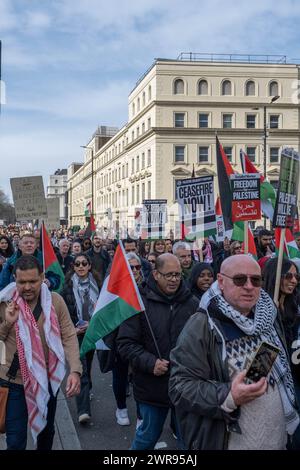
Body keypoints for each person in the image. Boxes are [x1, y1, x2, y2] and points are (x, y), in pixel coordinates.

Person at [169, 254, 300, 450]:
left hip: (278, 441)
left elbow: (259, 373)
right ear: (221, 281)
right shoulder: (203, 324)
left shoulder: (268, 316)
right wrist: (228, 396)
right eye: (239, 279)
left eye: (256, 280)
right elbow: (180, 387)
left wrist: (251, 383)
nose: (249, 286)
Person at [117, 253, 199, 449]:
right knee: (147, 436)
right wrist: (150, 363)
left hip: (185, 385)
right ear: (155, 274)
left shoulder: (192, 303)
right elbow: (125, 343)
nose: (173, 279)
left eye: (177, 275)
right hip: (152, 385)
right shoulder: (138, 302)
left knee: (187, 439)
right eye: (168, 274)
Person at [0, 255, 82, 450]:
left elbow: (69, 335)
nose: (27, 287)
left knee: (46, 434)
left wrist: (75, 370)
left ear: (42, 277)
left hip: (46, 380)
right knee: (15, 441)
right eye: (22, 282)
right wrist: (7, 323)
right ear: (15, 279)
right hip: (12, 383)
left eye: (32, 281)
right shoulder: (4, 302)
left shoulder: (55, 301)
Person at [61, 253, 101, 424]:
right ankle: (83, 411)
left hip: (92, 333)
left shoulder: (99, 285)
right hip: (75, 334)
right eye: (77, 264)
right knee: (81, 369)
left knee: (88, 365)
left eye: (84, 263)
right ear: (73, 267)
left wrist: (93, 324)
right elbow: (63, 314)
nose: (81, 266)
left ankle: (87, 388)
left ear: (89, 265)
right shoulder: (67, 288)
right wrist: (72, 329)